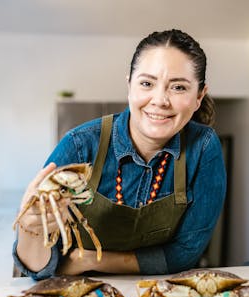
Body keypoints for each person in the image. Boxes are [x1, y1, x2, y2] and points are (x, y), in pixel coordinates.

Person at [13, 29, 226, 280]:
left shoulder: (203, 147)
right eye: (147, 83)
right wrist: (30, 229)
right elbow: (39, 269)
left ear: (199, 96)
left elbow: (186, 253)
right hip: (74, 296)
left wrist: (91, 259)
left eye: (178, 87)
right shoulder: (80, 145)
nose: (160, 100)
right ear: (129, 85)